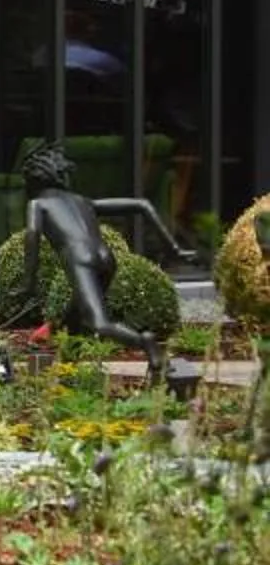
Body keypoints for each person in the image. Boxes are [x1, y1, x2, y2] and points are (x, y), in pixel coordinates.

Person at [11, 140, 168, 383]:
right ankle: (66, 374)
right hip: (107, 258)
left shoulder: (37, 204)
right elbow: (141, 205)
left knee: (99, 323)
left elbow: (32, 236)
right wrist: (174, 246)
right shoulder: (81, 200)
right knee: (71, 320)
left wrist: (28, 283)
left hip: (80, 258)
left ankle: (145, 343)